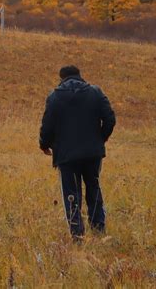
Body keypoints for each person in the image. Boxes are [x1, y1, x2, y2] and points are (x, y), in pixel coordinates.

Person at [39, 65, 116, 241]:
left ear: (61, 78)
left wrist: (44, 144)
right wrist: (99, 139)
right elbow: (110, 119)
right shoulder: (95, 93)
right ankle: (98, 229)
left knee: (71, 193)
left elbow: (47, 125)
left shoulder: (55, 97)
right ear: (80, 75)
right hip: (92, 154)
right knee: (93, 187)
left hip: (66, 156)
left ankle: (77, 234)